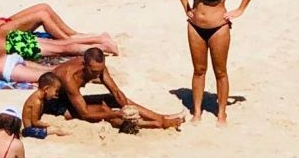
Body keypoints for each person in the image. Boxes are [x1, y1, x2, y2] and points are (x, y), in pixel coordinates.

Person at [177, 0, 257, 124]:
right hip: (195, 27)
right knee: (198, 70)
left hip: (218, 28)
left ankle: (222, 113)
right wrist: (186, 8)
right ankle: (197, 112)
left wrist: (240, 10)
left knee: (220, 71)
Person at [25, 49, 184, 132]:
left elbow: (116, 91)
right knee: (103, 110)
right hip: (56, 102)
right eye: (93, 71)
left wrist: (126, 107)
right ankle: (154, 124)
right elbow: (85, 113)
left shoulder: (99, 68)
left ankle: (161, 118)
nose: (97, 74)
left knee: (115, 99)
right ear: (84, 65)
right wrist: (116, 113)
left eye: (99, 70)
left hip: (73, 97)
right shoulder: (69, 77)